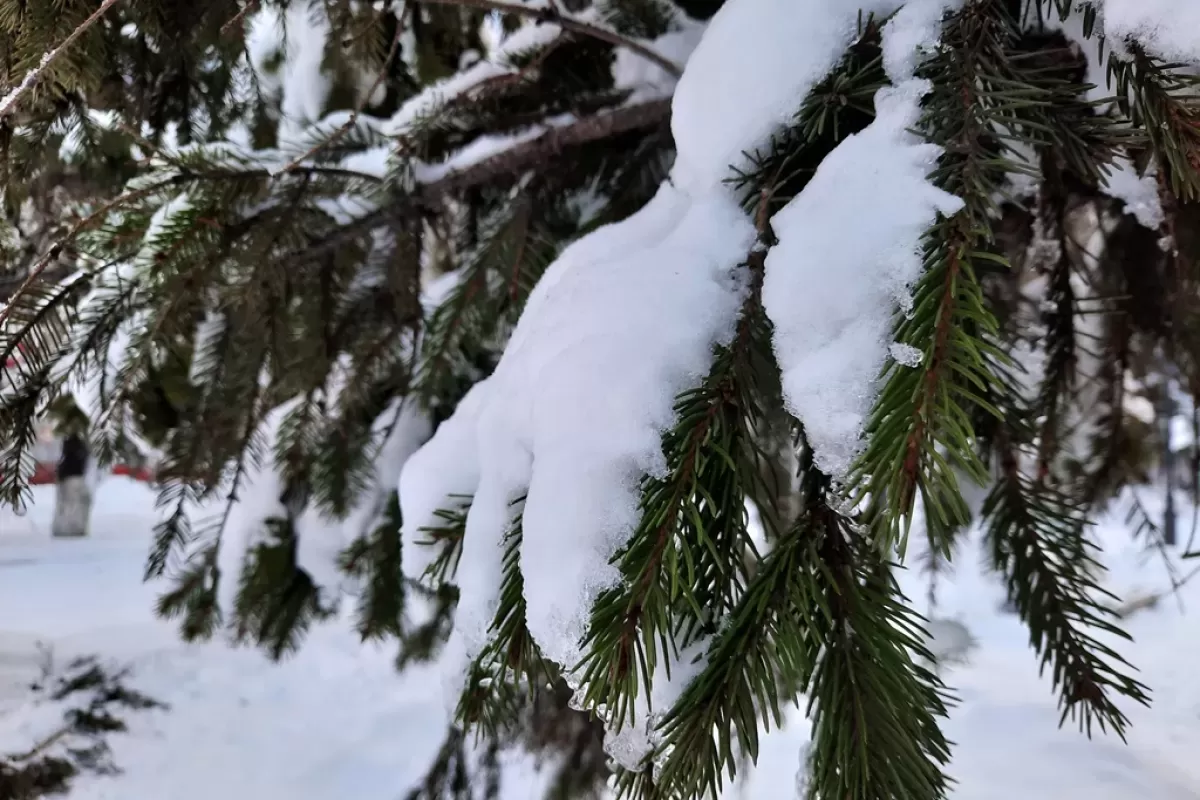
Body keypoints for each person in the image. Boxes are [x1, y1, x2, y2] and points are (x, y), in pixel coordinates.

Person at [52, 432, 93, 538]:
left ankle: (64, 528)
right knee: (74, 504)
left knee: (68, 504)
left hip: (69, 476)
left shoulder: (70, 444)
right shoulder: (78, 445)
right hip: (74, 476)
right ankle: (73, 528)